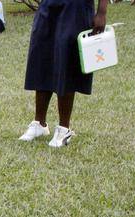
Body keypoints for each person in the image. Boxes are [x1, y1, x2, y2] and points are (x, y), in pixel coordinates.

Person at [19, 0, 108, 147]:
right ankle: (39, 124)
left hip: (76, 7)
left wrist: (102, 12)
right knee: (42, 57)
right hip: (49, 5)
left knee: (66, 60)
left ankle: (64, 128)